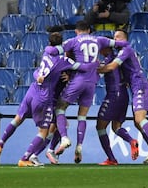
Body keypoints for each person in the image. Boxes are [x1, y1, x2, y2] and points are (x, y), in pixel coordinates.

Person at [0, 32, 99, 167]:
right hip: (45, 98)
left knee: (18, 119)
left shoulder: (46, 53)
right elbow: (83, 67)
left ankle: (0, 143)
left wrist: (39, 76)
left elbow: (36, 72)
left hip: (32, 91)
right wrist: (95, 64)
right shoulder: (64, 62)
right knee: (45, 131)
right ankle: (28, 157)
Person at [54, 21, 128, 164]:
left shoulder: (73, 41)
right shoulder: (99, 39)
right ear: (89, 30)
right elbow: (121, 44)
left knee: (60, 109)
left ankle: (64, 138)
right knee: (82, 116)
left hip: (78, 80)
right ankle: (79, 146)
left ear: (77, 31)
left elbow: (56, 51)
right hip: (92, 83)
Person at [98, 30, 148, 164]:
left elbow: (112, 66)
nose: (115, 40)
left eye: (118, 37)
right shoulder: (120, 53)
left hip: (140, 86)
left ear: (125, 39)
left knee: (139, 119)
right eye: (114, 37)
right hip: (134, 88)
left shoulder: (126, 49)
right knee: (136, 123)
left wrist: (91, 69)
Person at [96, 47, 139, 166]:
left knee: (100, 126)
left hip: (114, 94)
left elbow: (100, 70)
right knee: (116, 127)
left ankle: (111, 158)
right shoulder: (121, 59)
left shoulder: (109, 59)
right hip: (124, 94)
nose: (100, 50)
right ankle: (131, 141)